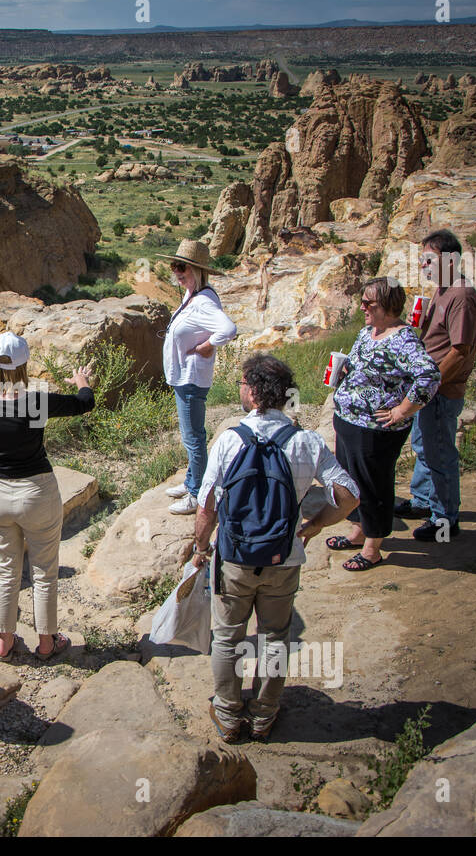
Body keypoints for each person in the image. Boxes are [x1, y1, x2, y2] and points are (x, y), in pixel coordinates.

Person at [191, 354, 359, 742]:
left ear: (251, 392)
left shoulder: (228, 440)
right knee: (274, 637)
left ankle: (229, 716)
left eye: (241, 385)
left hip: (234, 558)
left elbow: (207, 507)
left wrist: (202, 548)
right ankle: (264, 716)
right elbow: (349, 495)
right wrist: (316, 525)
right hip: (284, 556)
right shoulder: (307, 442)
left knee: (228, 636)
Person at [0, 332, 95, 661]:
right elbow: (84, 403)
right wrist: (82, 381)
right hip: (37, 493)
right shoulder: (36, 402)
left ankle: (4, 643)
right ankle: (47, 643)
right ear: (25, 366)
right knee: (44, 572)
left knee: (6, 571)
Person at [328, 277, 441, 571]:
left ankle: (372, 547)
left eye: (369, 303)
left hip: (376, 430)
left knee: (373, 483)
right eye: (362, 301)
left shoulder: (403, 339)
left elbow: (429, 376)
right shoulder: (369, 332)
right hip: (349, 421)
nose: (362, 307)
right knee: (352, 480)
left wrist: (403, 409)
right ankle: (358, 530)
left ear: (389, 306)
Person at [396, 229, 476, 543]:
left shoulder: (462, 295)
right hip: (428, 386)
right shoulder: (442, 289)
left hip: (440, 390)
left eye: (428, 260)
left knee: (440, 454)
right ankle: (421, 501)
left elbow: (460, 350)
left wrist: (429, 385)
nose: (423, 266)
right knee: (422, 446)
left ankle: (445, 519)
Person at [158, 239, 238, 515]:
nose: (177, 272)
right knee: (191, 435)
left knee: (193, 438)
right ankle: (193, 480)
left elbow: (228, 328)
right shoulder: (192, 294)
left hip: (190, 379)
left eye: (183, 268)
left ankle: (197, 494)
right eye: (175, 266)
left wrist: (207, 345)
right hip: (185, 377)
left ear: (198, 270)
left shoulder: (203, 300)